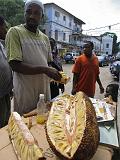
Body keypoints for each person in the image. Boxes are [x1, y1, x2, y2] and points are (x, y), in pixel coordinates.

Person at [5, 0, 61, 115]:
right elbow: (15, 65)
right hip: (26, 93)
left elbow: (48, 63)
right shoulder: (15, 32)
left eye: (36, 13)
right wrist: (45, 69)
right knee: (26, 126)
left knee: (44, 123)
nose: (32, 16)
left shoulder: (45, 38)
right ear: (24, 13)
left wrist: (54, 73)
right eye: (28, 12)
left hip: (44, 91)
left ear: (42, 16)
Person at [0, 16, 13, 128]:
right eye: (4, 27)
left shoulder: (2, 45)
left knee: (5, 124)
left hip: (5, 93)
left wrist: (10, 87)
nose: (6, 30)